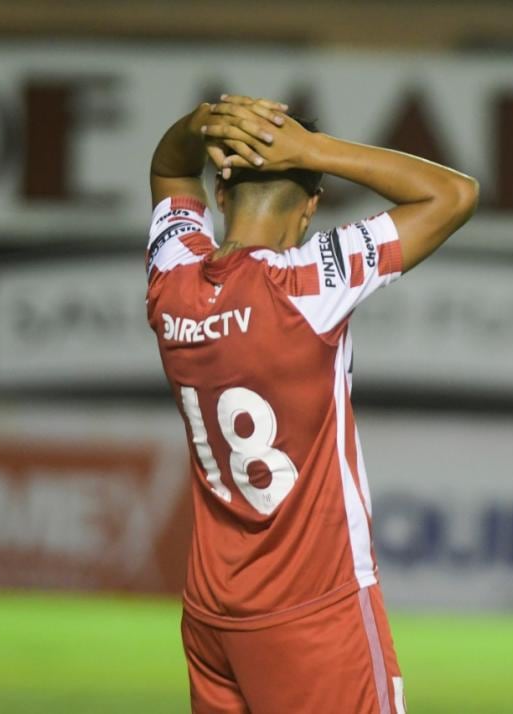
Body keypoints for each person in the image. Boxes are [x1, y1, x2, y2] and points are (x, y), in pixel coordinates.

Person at [146, 94, 478, 713]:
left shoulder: (173, 280)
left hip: (212, 610)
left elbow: (168, 170)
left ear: (221, 194)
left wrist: (198, 125)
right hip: (313, 607)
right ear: (311, 209)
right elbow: (453, 194)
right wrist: (312, 149)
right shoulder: (308, 283)